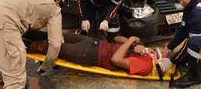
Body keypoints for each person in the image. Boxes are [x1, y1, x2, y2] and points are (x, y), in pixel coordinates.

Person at [25, 31, 158, 76]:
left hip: (90, 55)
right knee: (57, 35)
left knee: (48, 47)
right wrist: (136, 44)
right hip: (94, 43)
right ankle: (25, 33)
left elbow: (116, 60)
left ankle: (18, 45)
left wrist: (131, 40)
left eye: (163, 52)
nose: (151, 51)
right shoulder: (144, 53)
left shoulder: (146, 65)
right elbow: (116, 39)